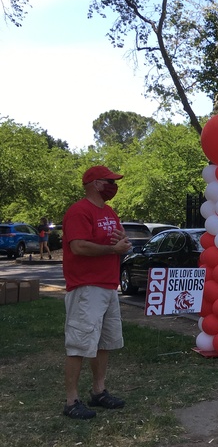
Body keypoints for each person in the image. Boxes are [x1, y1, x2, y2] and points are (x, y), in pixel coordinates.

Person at [61, 165, 132, 420]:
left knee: (104, 343)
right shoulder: (79, 211)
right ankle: (71, 401)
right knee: (79, 344)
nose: (113, 186)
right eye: (108, 182)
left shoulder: (109, 211)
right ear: (93, 183)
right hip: (86, 287)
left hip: (108, 286)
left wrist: (122, 242)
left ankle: (98, 391)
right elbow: (78, 246)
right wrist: (112, 251)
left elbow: (116, 240)